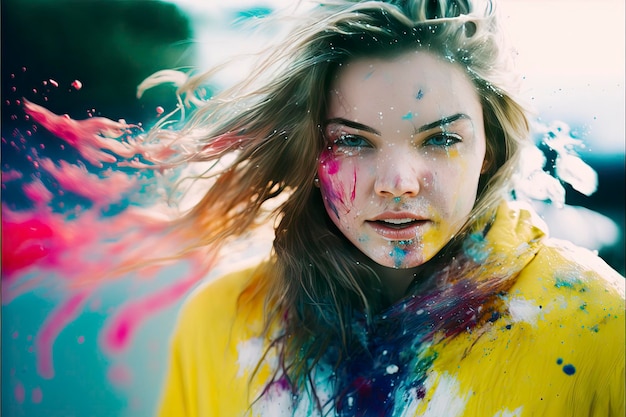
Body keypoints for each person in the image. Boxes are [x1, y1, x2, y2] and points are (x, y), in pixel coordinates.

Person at [155, 0, 625, 415]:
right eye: (353, 141)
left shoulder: (598, 325)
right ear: (309, 153)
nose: (398, 184)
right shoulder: (221, 324)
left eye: (441, 138)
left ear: (491, 151)